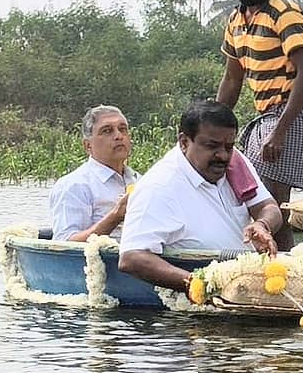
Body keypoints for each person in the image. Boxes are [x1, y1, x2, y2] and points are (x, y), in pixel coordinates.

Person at [216, 0, 303, 251]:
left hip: (292, 113)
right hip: (265, 117)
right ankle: (277, 269)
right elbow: (233, 78)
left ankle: (288, 273)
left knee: (272, 205)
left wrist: (280, 131)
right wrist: (207, 126)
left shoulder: (283, 13)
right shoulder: (236, 21)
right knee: (257, 201)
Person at [118, 101, 283, 293]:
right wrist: (201, 285)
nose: (222, 155)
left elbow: (269, 207)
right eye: (212, 146)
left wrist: (262, 225)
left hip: (246, 289)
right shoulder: (159, 186)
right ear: (184, 142)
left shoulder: (235, 162)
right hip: (195, 306)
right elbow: (131, 257)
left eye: (228, 146)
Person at [49, 105, 138, 242]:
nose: (118, 136)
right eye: (107, 131)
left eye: (122, 129)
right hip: (95, 262)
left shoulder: (140, 181)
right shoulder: (74, 185)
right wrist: (115, 216)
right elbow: (65, 244)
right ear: (88, 146)